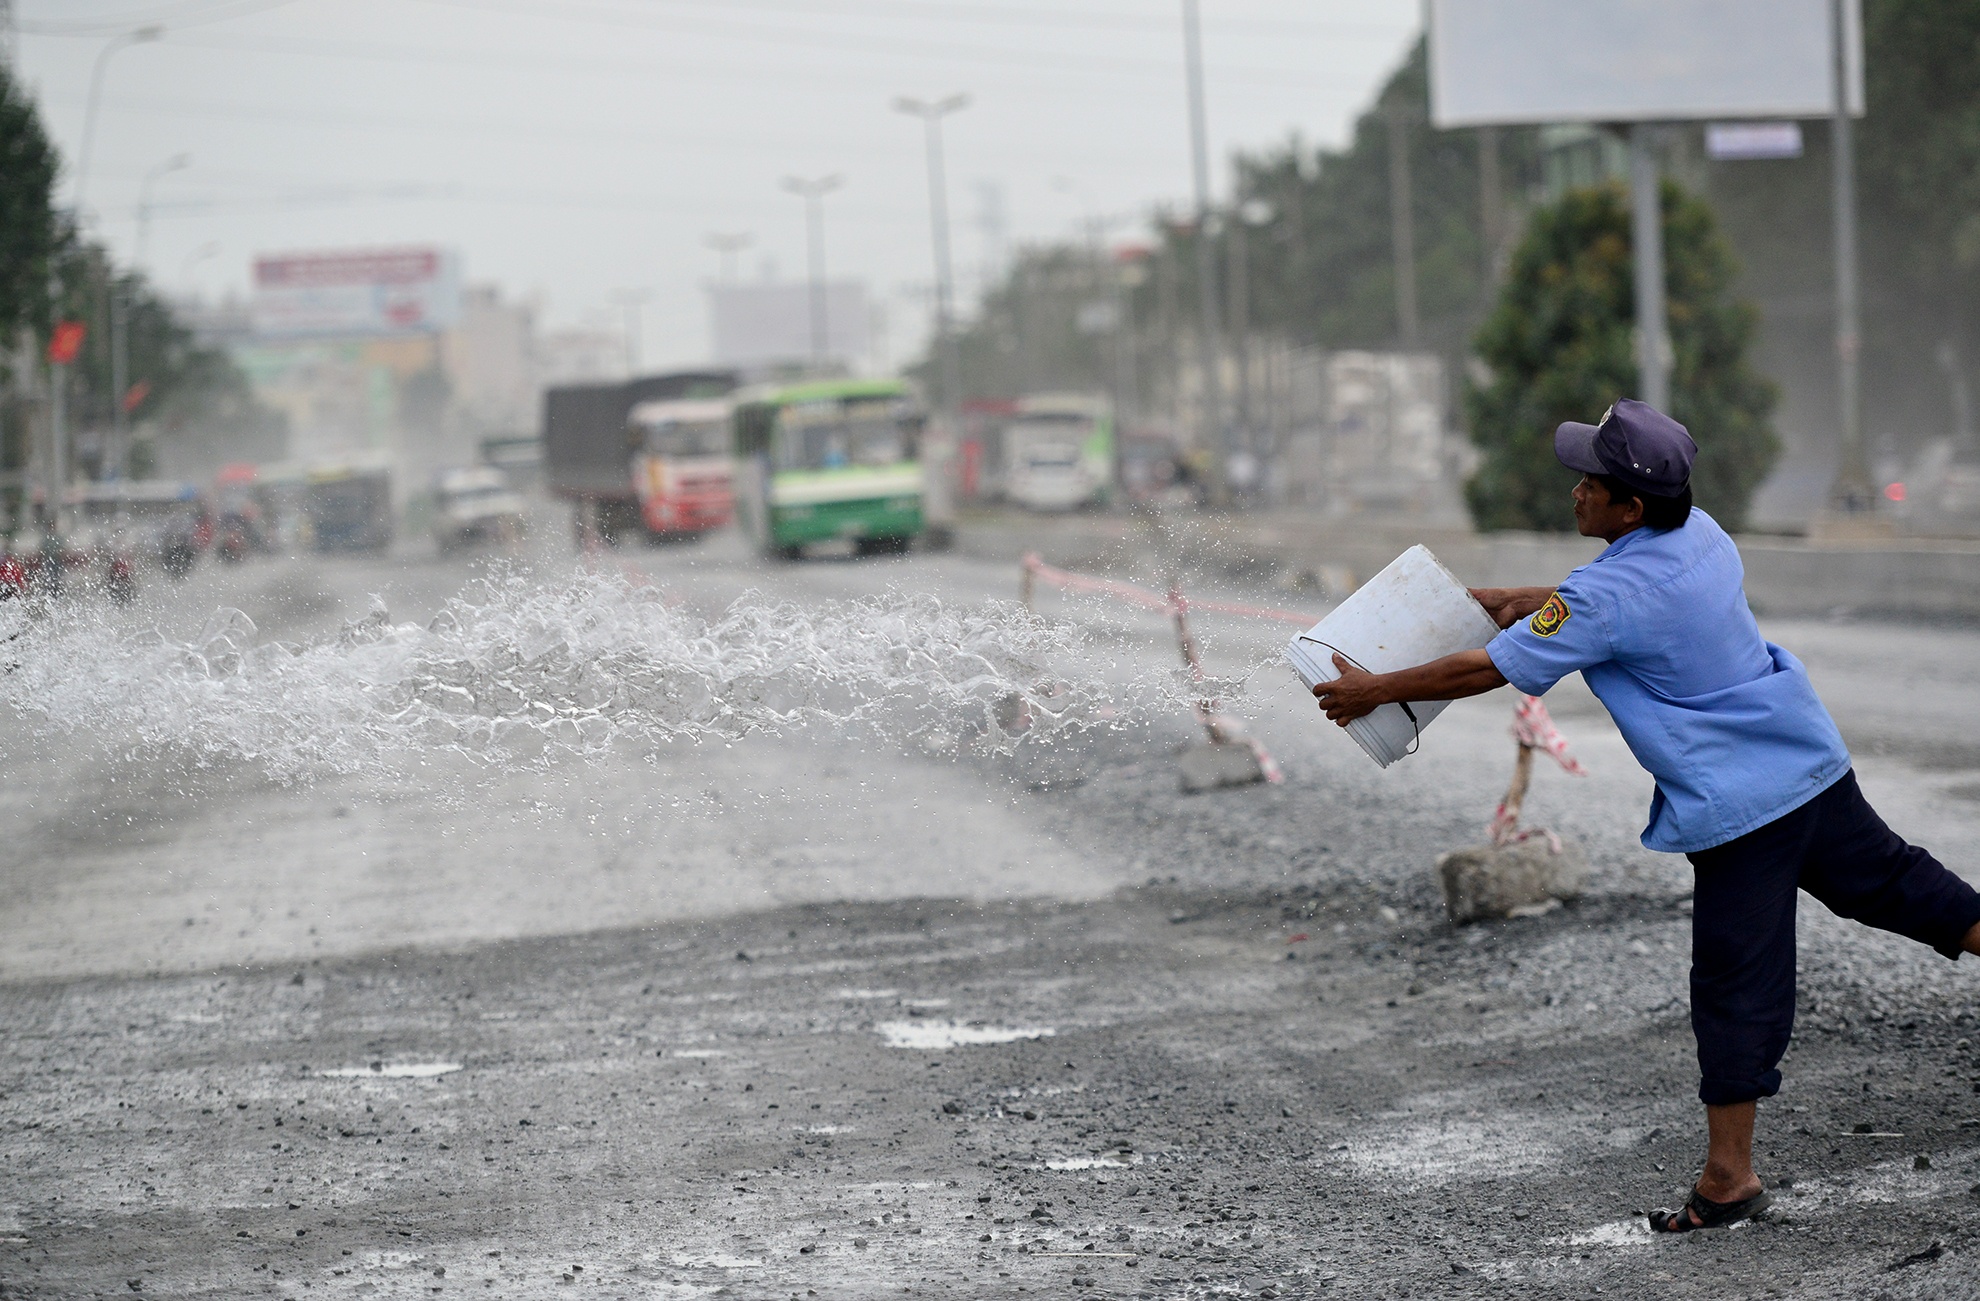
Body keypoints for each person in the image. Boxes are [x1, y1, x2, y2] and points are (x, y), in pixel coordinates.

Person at [1310, 398, 1980, 1233]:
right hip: (1807, 761)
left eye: (1590, 483)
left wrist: (1374, 689)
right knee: (1902, 885)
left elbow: (1491, 668)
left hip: (1743, 808)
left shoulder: (1601, 597)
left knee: (1735, 982)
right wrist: (1529, 599)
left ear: (1629, 507)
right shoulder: (1705, 535)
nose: (1577, 491)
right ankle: (1730, 1169)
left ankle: (1729, 1178)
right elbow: (1627, 603)